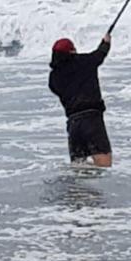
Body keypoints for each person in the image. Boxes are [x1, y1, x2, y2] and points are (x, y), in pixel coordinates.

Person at [48, 33, 113, 167]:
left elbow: (57, 89)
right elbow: (100, 54)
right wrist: (106, 42)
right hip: (92, 120)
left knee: (79, 169)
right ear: (72, 51)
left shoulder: (54, 77)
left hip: (73, 124)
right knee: (104, 166)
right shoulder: (84, 62)